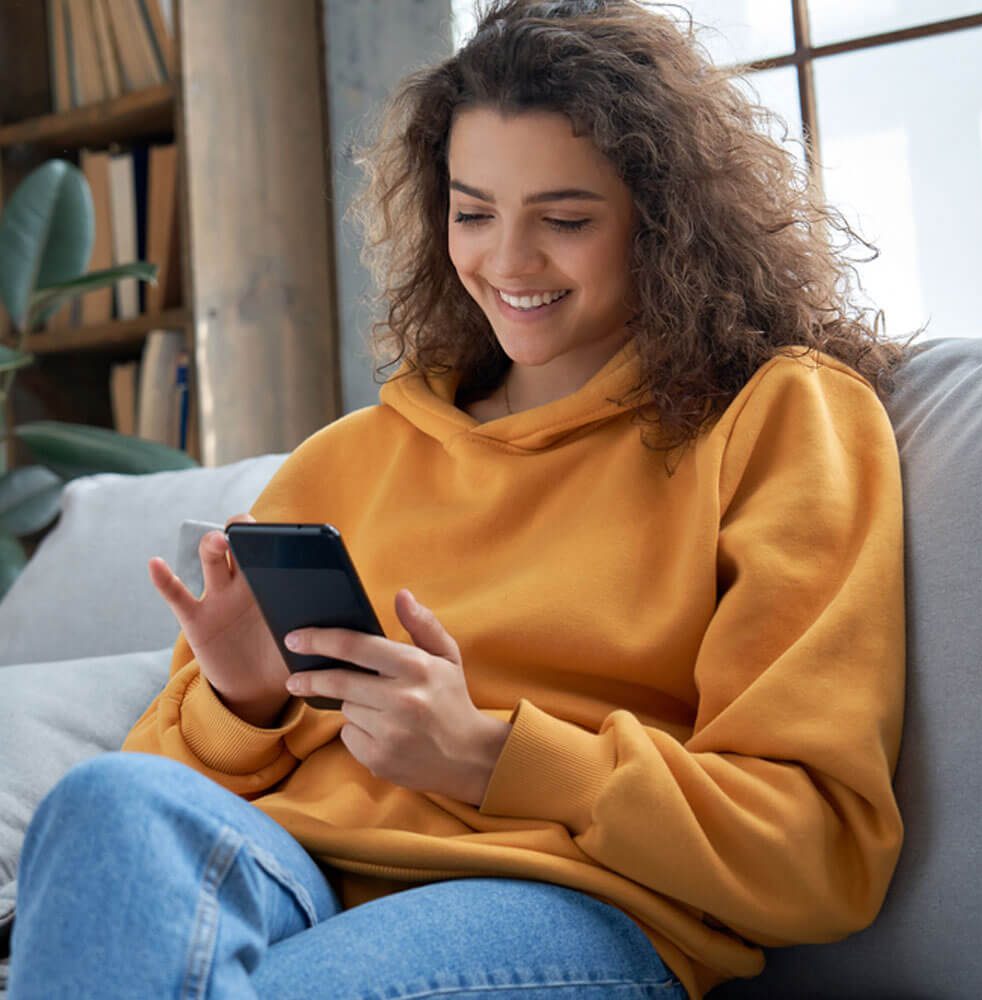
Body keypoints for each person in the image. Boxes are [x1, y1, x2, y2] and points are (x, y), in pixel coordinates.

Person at [7, 1, 922, 997]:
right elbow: (174, 791)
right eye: (473, 212)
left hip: (565, 898)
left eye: (564, 220)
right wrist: (246, 698)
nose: (508, 263)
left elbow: (818, 852)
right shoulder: (349, 457)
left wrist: (489, 754)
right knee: (106, 802)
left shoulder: (779, 416)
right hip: (291, 867)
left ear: (665, 222)